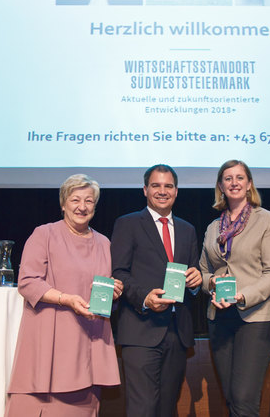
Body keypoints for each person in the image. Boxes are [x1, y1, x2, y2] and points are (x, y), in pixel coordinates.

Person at [5, 174, 123, 417]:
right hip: (49, 342)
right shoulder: (44, 234)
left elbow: (100, 291)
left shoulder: (104, 243)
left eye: (89, 201)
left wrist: (114, 292)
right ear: (63, 203)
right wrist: (66, 299)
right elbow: (27, 282)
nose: (82, 207)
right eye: (75, 200)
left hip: (88, 343)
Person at [111, 164, 202, 417]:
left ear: (176, 191)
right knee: (142, 410)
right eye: (156, 185)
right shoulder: (127, 224)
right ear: (145, 190)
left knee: (167, 409)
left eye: (168, 186)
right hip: (141, 331)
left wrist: (196, 280)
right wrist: (145, 299)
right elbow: (119, 273)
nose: (162, 191)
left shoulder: (187, 229)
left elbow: (192, 273)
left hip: (177, 332)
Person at [200, 159, 270, 416]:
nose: (234, 183)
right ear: (220, 186)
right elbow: (203, 272)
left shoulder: (267, 220)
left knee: (244, 398)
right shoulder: (213, 227)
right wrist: (211, 282)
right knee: (231, 398)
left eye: (239, 178)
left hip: (255, 317)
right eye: (228, 178)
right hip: (220, 319)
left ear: (249, 184)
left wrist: (242, 296)